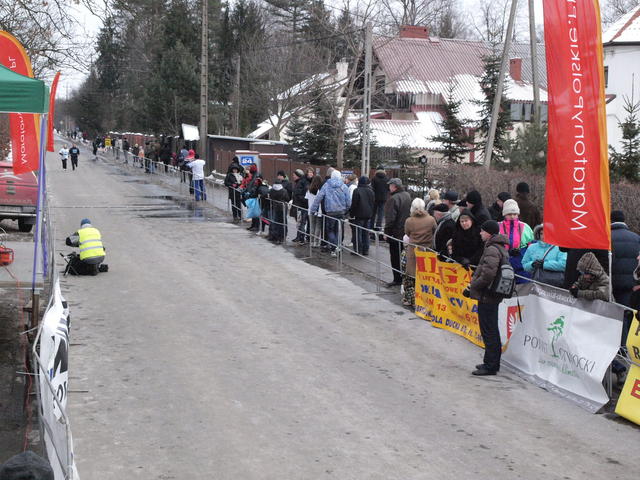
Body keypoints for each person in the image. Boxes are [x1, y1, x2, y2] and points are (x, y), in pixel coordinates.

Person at [463, 220, 509, 376]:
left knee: (489, 330)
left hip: (488, 295)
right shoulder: (498, 247)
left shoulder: (492, 249)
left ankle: (491, 365)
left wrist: (474, 286)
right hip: (491, 294)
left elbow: (488, 274)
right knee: (491, 329)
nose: (480, 233)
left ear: (489, 233)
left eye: (482, 231)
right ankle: (491, 362)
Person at [403, 198, 436, 306]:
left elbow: (407, 233)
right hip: (427, 250)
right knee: (425, 277)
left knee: (411, 277)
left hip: (413, 250)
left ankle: (413, 300)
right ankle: (425, 301)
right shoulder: (431, 219)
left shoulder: (409, 221)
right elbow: (434, 230)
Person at [310, 169, 351, 257]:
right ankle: (337, 247)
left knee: (330, 230)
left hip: (330, 212)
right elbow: (348, 201)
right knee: (338, 230)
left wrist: (313, 210)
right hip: (341, 212)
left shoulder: (326, 185)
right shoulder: (343, 186)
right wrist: (346, 210)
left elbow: (318, 198)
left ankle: (334, 247)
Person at [384, 178, 412, 287]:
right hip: (405, 231)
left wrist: (386, 232)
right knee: (404, 256)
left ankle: (397, 279)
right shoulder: (407, 195)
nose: (389, 187)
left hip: (395, 232)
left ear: (394, 186)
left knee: (395, 257)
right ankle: (404, 278)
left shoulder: (393, 199)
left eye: (390, 185)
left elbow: (390, 218)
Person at [499, 199, 534, 282]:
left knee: (523, 288)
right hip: (503, 266)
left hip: (521, 267)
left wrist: (521, 252)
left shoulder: (525, 227)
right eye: (509, 214)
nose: (512, 216)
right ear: (504, 214)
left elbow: (531, 247)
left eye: (514, 214)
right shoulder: (498, 226)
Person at [611, 210, 640, 307]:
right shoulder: (636, 238)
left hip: (612, 283)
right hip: (631, 285)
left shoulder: (607, 238)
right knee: (628, 311)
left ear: (611, 220)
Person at [349, 175, 375, 255]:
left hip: (359, 215)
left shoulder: (357, 191)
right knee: (366, 233)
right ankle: (365, 249)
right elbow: (373, 203)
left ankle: (358, 249)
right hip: (368, 215)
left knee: (358, 233)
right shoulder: (371, 191)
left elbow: (354, 204)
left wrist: (351, 214)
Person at [291, 169, 310, 243]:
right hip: (300, 205)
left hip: (301, 206)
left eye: (294, 175)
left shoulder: (301, 183)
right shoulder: (300, 182)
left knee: (301, 222)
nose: (293, 176)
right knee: (300, 222)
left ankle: (301, 237)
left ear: (298, 176)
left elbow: (300, 195)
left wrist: (301, 199)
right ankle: (299, 236)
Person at [306, 175, 323, 248]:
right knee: (318, 226)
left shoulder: (309, 190)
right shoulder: (320, 190)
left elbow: (306, 199)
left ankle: (311, 241)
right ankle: (316, 242)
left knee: (312, 226)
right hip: (318, 211)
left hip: (310, 210)